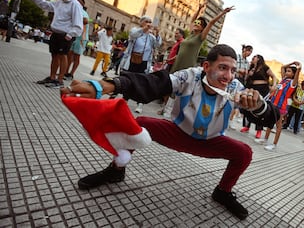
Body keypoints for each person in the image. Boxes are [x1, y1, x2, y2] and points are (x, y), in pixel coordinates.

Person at [61, 44, 280, 220]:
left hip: (210, 141)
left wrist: (258, 106)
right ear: (206, 66)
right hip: (176, 133)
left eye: (233, 70)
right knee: (139, 122)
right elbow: (155, 82)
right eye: (223, 68)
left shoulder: (235, 89)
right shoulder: (190, 76)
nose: (228, 76)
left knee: (244, 152)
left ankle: (222, 191)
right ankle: (116, 170)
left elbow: (271, 115)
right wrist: (108, 85)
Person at [16, 0, 83, 88]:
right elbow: (45, 4)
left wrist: (70, 34)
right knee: (54, 55)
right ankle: (52, 77)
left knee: (63, 56)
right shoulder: (59, 2)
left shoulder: (75, 4)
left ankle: (60, 80)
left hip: (65, 34)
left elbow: (78, 23)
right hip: (56, 33)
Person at [170, 3, 235, 73]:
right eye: (196, 22)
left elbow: (211, 23)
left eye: (199, 24)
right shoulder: (190, 34)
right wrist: (199, 9)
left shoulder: (200, 37)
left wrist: (223, 12)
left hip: (187, 65)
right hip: (177, 63)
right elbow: (193, 20)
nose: (196, 24)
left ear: (202, 28)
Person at [119, 16, 162, 113]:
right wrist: (144, 29)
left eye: (150, 22)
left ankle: (139, 103)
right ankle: (125, 100)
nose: (149, 24)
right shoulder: (136, 30)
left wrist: (158, 33)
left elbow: (157, 45)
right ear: (141, 22)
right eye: (146, 21)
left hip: (144, 62)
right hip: (132, 59)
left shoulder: (151, 36)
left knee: (141, 82)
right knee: (129, 80)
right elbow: (133, 35)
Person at [262, 61, 302, 150]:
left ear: (293, 74)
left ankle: (274, 144)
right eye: (287, 71)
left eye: (289, 71)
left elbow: (296, 75)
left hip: (281, 106)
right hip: (273, 103)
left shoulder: (292, 83)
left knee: (278, 125)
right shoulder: (284, 79)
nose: (287, 72)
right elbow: (282, 67)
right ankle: (265, 139)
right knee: (270, 122)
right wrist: (292, 63)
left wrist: (298, 69)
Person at [240, 54, 277, 139]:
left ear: (259, 59)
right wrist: (248, 74)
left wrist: (274, 86)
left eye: (255, 57)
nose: (253, 58)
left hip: (262, 89)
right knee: (247, 107)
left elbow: (273, 76)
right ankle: (247, 126)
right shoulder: (251, 68)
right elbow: (247, 79)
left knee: (259, 109)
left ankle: (259, 130)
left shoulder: (264, 67)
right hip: (252, 87)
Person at [229, 44, 253, 129]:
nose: (249, 54)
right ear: (244, 50)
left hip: (241, 80)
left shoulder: (247, 62)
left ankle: (230, 121)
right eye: (248, 52)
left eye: (250, 53)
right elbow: (232, 66)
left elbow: (246, 72)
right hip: (233, 77)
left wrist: (246, 73)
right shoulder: (237, 57)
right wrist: (239, 70)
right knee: (228, 96)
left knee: (235, 101)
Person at [65, 0, 89, 80]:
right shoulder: (75, 10)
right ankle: (66, 72)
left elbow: (86, 21)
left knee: (76, 57)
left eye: (77, 0)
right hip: (74, 35)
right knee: (69, 55)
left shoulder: (83, 12)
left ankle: (71, 74)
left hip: (81, 37)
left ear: (81, 4)